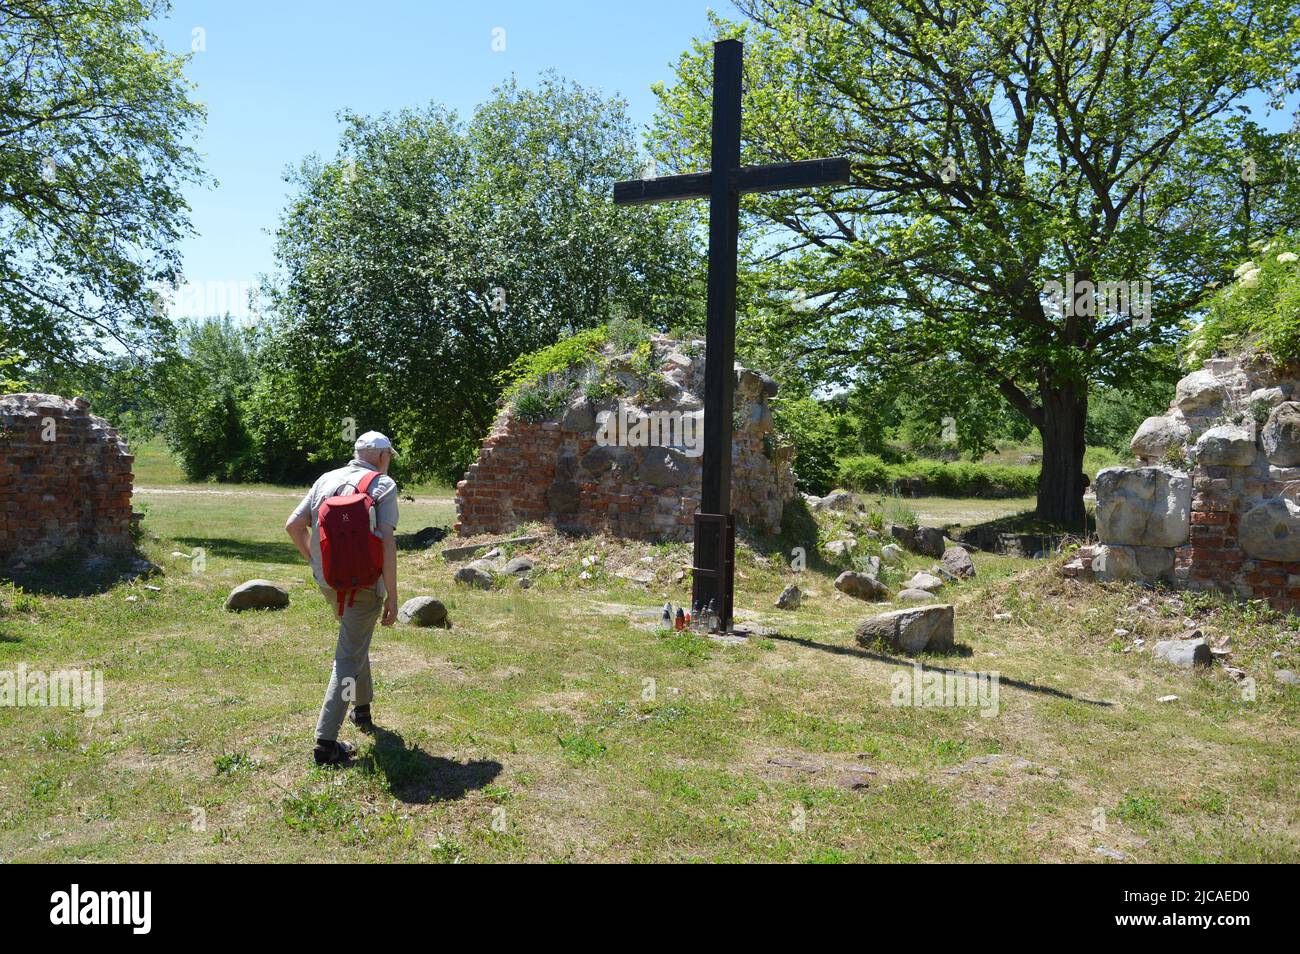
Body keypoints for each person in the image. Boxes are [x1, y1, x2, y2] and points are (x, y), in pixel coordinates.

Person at [285, 431, 400, 766]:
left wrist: (314, 561)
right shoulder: (382, 486)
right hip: (364, 585)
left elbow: (293, 525)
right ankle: (325, 744)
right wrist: (393, 596)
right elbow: (389, 546)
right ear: (380, 456)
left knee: (354, 639)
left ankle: (361, 710)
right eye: (389, 456)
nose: (389, 462)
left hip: (329, 581)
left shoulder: (326, 479)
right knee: (348, 657)